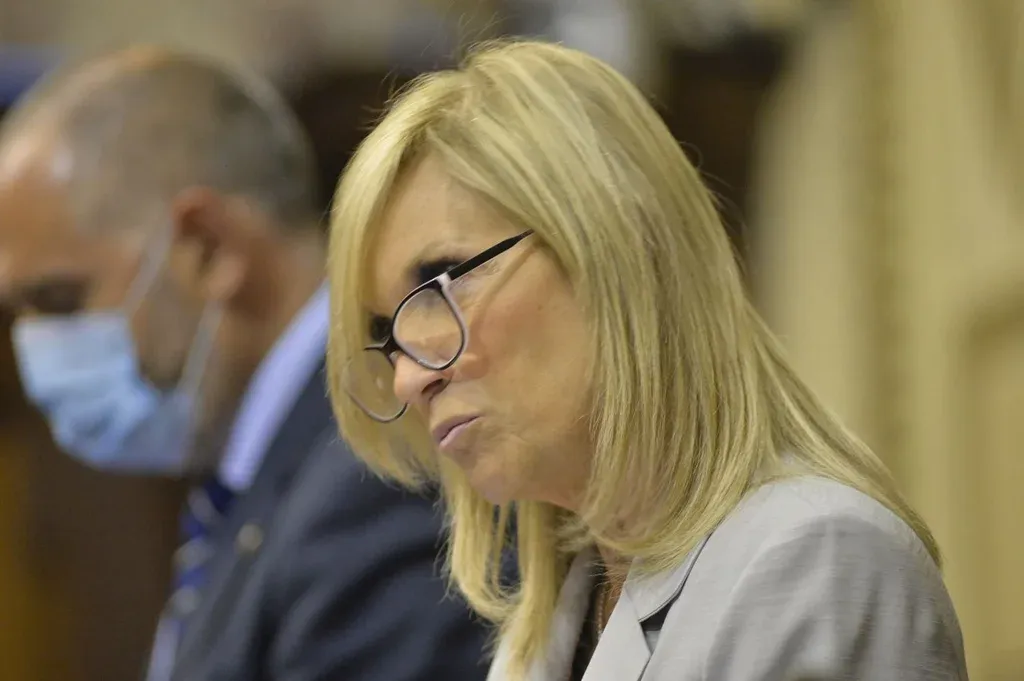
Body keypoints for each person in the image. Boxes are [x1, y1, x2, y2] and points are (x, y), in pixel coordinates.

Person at [324, 39, 969, 681]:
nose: (409, 377)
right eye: (387, 331)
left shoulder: (817, 563)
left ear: (609, 243)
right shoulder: (549, 625)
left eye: (439, 282)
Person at [0, 47, 491, 681]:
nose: (34, 347)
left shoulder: (375, 470)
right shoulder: (257, 471)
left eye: (59, 300)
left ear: (208, 249)